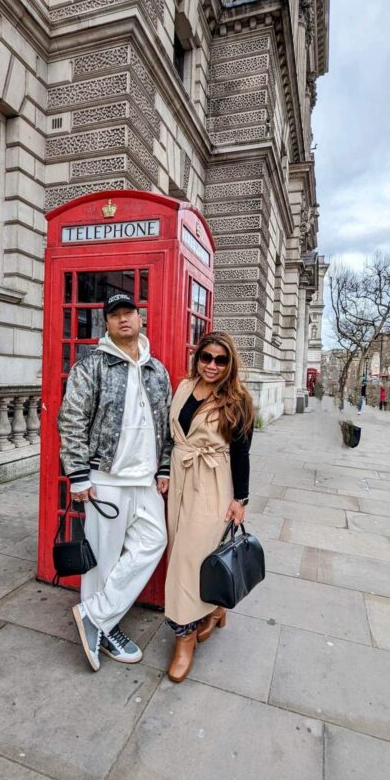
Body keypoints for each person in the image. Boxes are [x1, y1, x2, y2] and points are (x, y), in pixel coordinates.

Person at [58, 292, 171, 672]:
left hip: (146, 479)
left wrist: (165, 468)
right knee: (102, 561)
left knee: (154, 541)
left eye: (129, 313)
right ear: (107, 323)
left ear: (141, 319)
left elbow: (166, 427)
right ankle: (104, 629)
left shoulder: (157, 370)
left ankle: (96, 616)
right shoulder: (92, 366)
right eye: (115, 315)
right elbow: (71, 418)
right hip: (105, 478)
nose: (123, 320)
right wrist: (77, 475)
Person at [164, 331, 255, 682]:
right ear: (197, 357)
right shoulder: (184, 387)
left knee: (190, 557)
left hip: (214, 482)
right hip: (180, 477)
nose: (212, 366)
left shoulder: (238, 399)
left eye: (220, 360)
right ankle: (217, 609)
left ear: (230, 363)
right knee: (183, 551)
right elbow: (168, 432)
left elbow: (242, 453)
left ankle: (183, 638)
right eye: (206, 358)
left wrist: (240, 500)